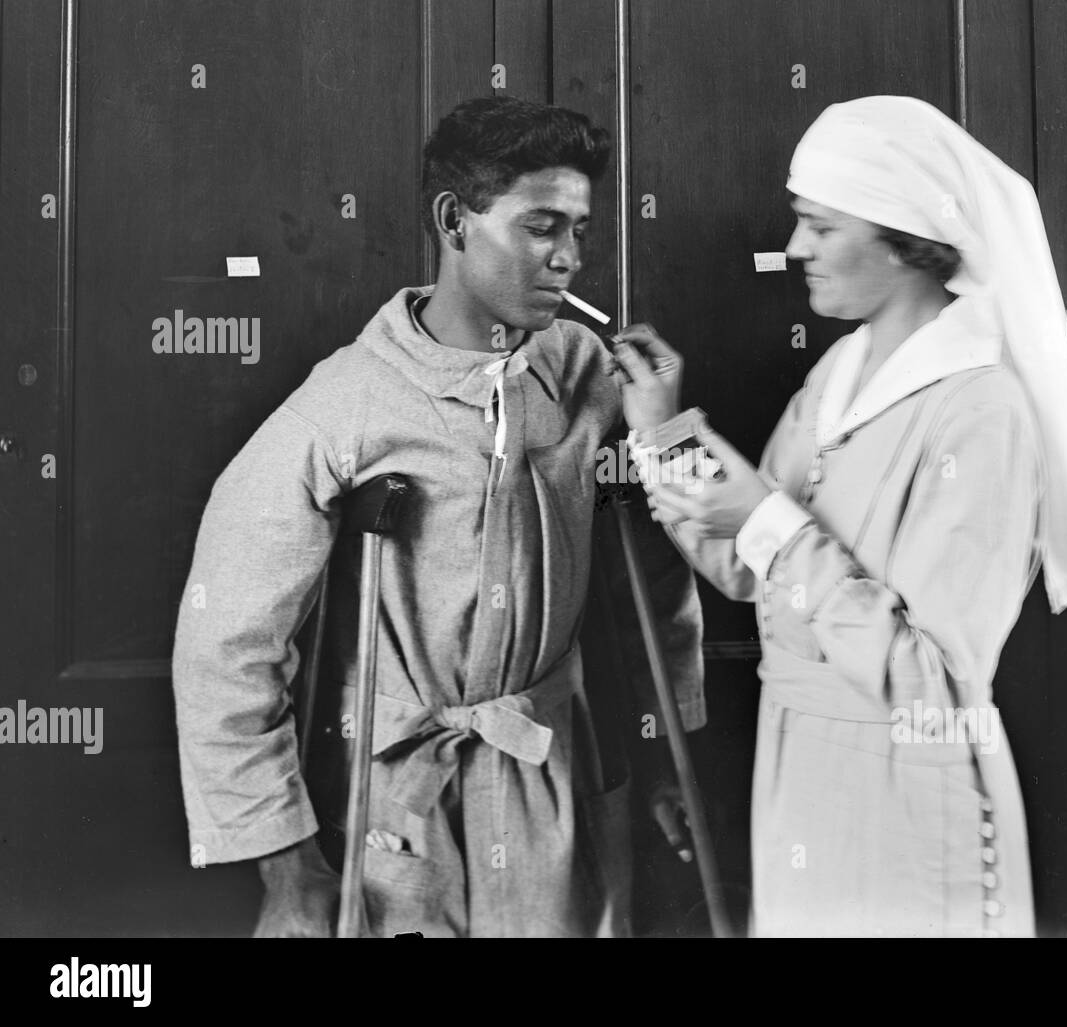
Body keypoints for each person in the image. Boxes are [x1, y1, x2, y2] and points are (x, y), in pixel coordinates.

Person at [171, 96, 704, 938]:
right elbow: (224, 644)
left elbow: (663, 567)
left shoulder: (593, 377)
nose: (569, 258)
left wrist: (674, 752)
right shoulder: (342, 408)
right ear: (455, 221)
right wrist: (285, 865)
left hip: (554, 783)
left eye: (580, 231)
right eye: (540, 227)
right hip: (392, 809)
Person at [614, 95, 1067, 937]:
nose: (796, 247)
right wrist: (662, 434)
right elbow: (748, 565)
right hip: (800, 769)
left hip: (910, 788)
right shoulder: (838, 377)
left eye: (819, 225)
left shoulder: (981, 411)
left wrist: (769, 522)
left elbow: (935, 679)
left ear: (903, 237)